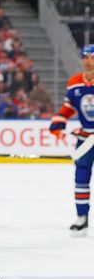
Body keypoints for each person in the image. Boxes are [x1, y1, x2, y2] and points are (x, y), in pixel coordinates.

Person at [50, 43, 94, 236]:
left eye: (92, 57)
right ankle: (81, 217)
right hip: (84, 139)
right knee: (81, 179)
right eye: (85, 57)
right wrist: (58, 123)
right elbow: (68, 107)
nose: (89, 61)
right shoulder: (75, 82)